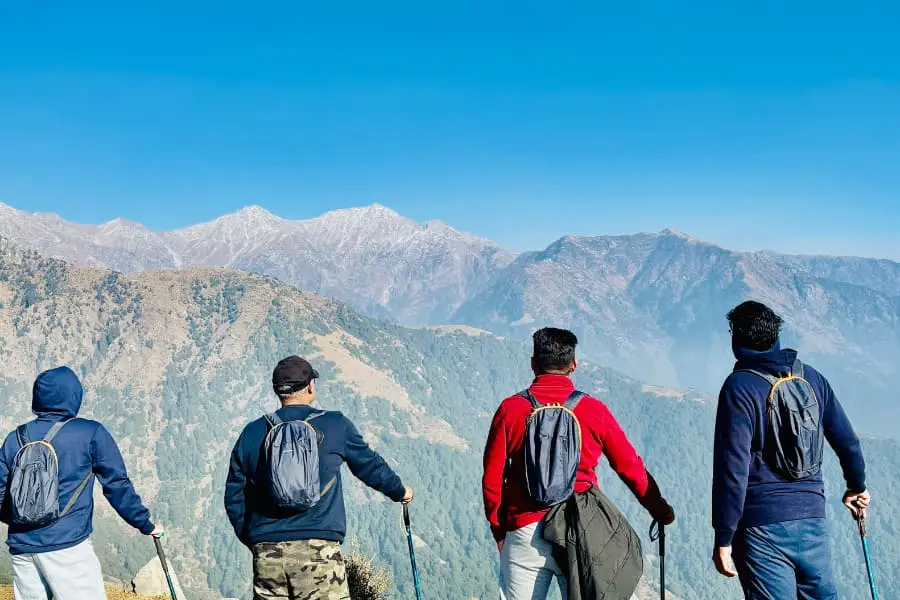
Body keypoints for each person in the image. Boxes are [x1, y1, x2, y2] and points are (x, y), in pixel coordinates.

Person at [482, 327, 675, 600]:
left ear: (533, 363)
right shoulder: (594, 410)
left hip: (523, 527)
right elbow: (629, 467)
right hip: (579, 528)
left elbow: (491, 479)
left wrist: (500, 529)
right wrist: (659, 509)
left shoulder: (510, 409)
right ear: (574, 365)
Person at [712, 300, 870, 599]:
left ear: (736, 339)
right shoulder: (811, 378)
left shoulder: (739, 387)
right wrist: (856, 487)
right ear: (776, 336)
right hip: (813, 521)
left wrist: (724, 536)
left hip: (762, 526)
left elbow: (732, 470)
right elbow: (848, 441)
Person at [225, 355, 413, 600]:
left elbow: (234, 498)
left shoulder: (252, 432)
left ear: (277, 391)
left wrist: (256, 539)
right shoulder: (335, 425)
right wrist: (400, 491)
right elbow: (370, 466)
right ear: (310, 386)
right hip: (319, 553)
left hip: (267, 554)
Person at [0, 366, 163, 600]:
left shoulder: (15, 438)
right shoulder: (90, 433)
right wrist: (146, 524)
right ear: (74, 396)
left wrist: (23, 519)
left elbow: (0, 493)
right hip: (68, 547)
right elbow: (117, 486)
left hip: (22, 549)